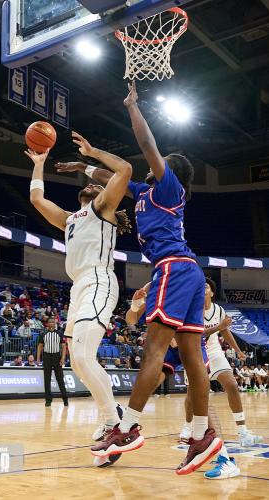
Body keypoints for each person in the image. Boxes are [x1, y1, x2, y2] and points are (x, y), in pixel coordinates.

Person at [58, 83, 219, 474]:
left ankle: (126, 427)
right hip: (188, 272)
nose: (156, 161)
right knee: (191, 355)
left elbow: (146, 144)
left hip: (174, 268)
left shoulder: (168, 187)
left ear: (170, 171)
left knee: (154, 351)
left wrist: (133, 107)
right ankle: (202, 434)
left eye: (163, 160)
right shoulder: (145, 191)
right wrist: (85, 166)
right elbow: (114, 177)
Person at [27, 131, 131, 436]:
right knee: (78, 363)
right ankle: (114, 415)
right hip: (78, 288)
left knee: (84, 356)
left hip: (98, 280)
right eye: (90, 185)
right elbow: (36, 198)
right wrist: (39, 162)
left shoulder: (103, 209)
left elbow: (124, 170)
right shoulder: (70, 219)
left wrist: (90, 154)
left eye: (98, 185)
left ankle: (114, 421)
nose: (92, 186)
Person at [124, 283, 239, 479]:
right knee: (149, 384)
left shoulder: (184, 284)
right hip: (167, 348)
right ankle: (123, 428)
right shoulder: (153, 288)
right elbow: (131, 320)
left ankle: (225, 460)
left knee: (199, 400)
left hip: (191, 344)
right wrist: (135, 305)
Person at [180, 277, 263, 461]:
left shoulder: (218, 310)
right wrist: (219, 326)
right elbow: (198, 333)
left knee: (232, 385)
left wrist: (238, 351)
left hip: (215, 352)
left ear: (212, 292)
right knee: (191, 395)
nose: (203, 288)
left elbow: (225, 332)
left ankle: (242, 432)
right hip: (195, 352)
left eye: (206, 286)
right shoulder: (191, 309)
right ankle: (187, 426)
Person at [36, 318, 68, 406]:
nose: (51, 323)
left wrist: (62, 358)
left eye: (53, 322)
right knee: (47, 379)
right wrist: (38, 358)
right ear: (47, 324)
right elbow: (40, 346)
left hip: (57, 357)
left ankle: (65, 399)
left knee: (60, 379)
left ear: (55, 323)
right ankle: (48, 400)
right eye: (49, 322)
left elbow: (63, 346)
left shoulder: (59, 333)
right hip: (46, 357)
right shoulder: (43, 334)